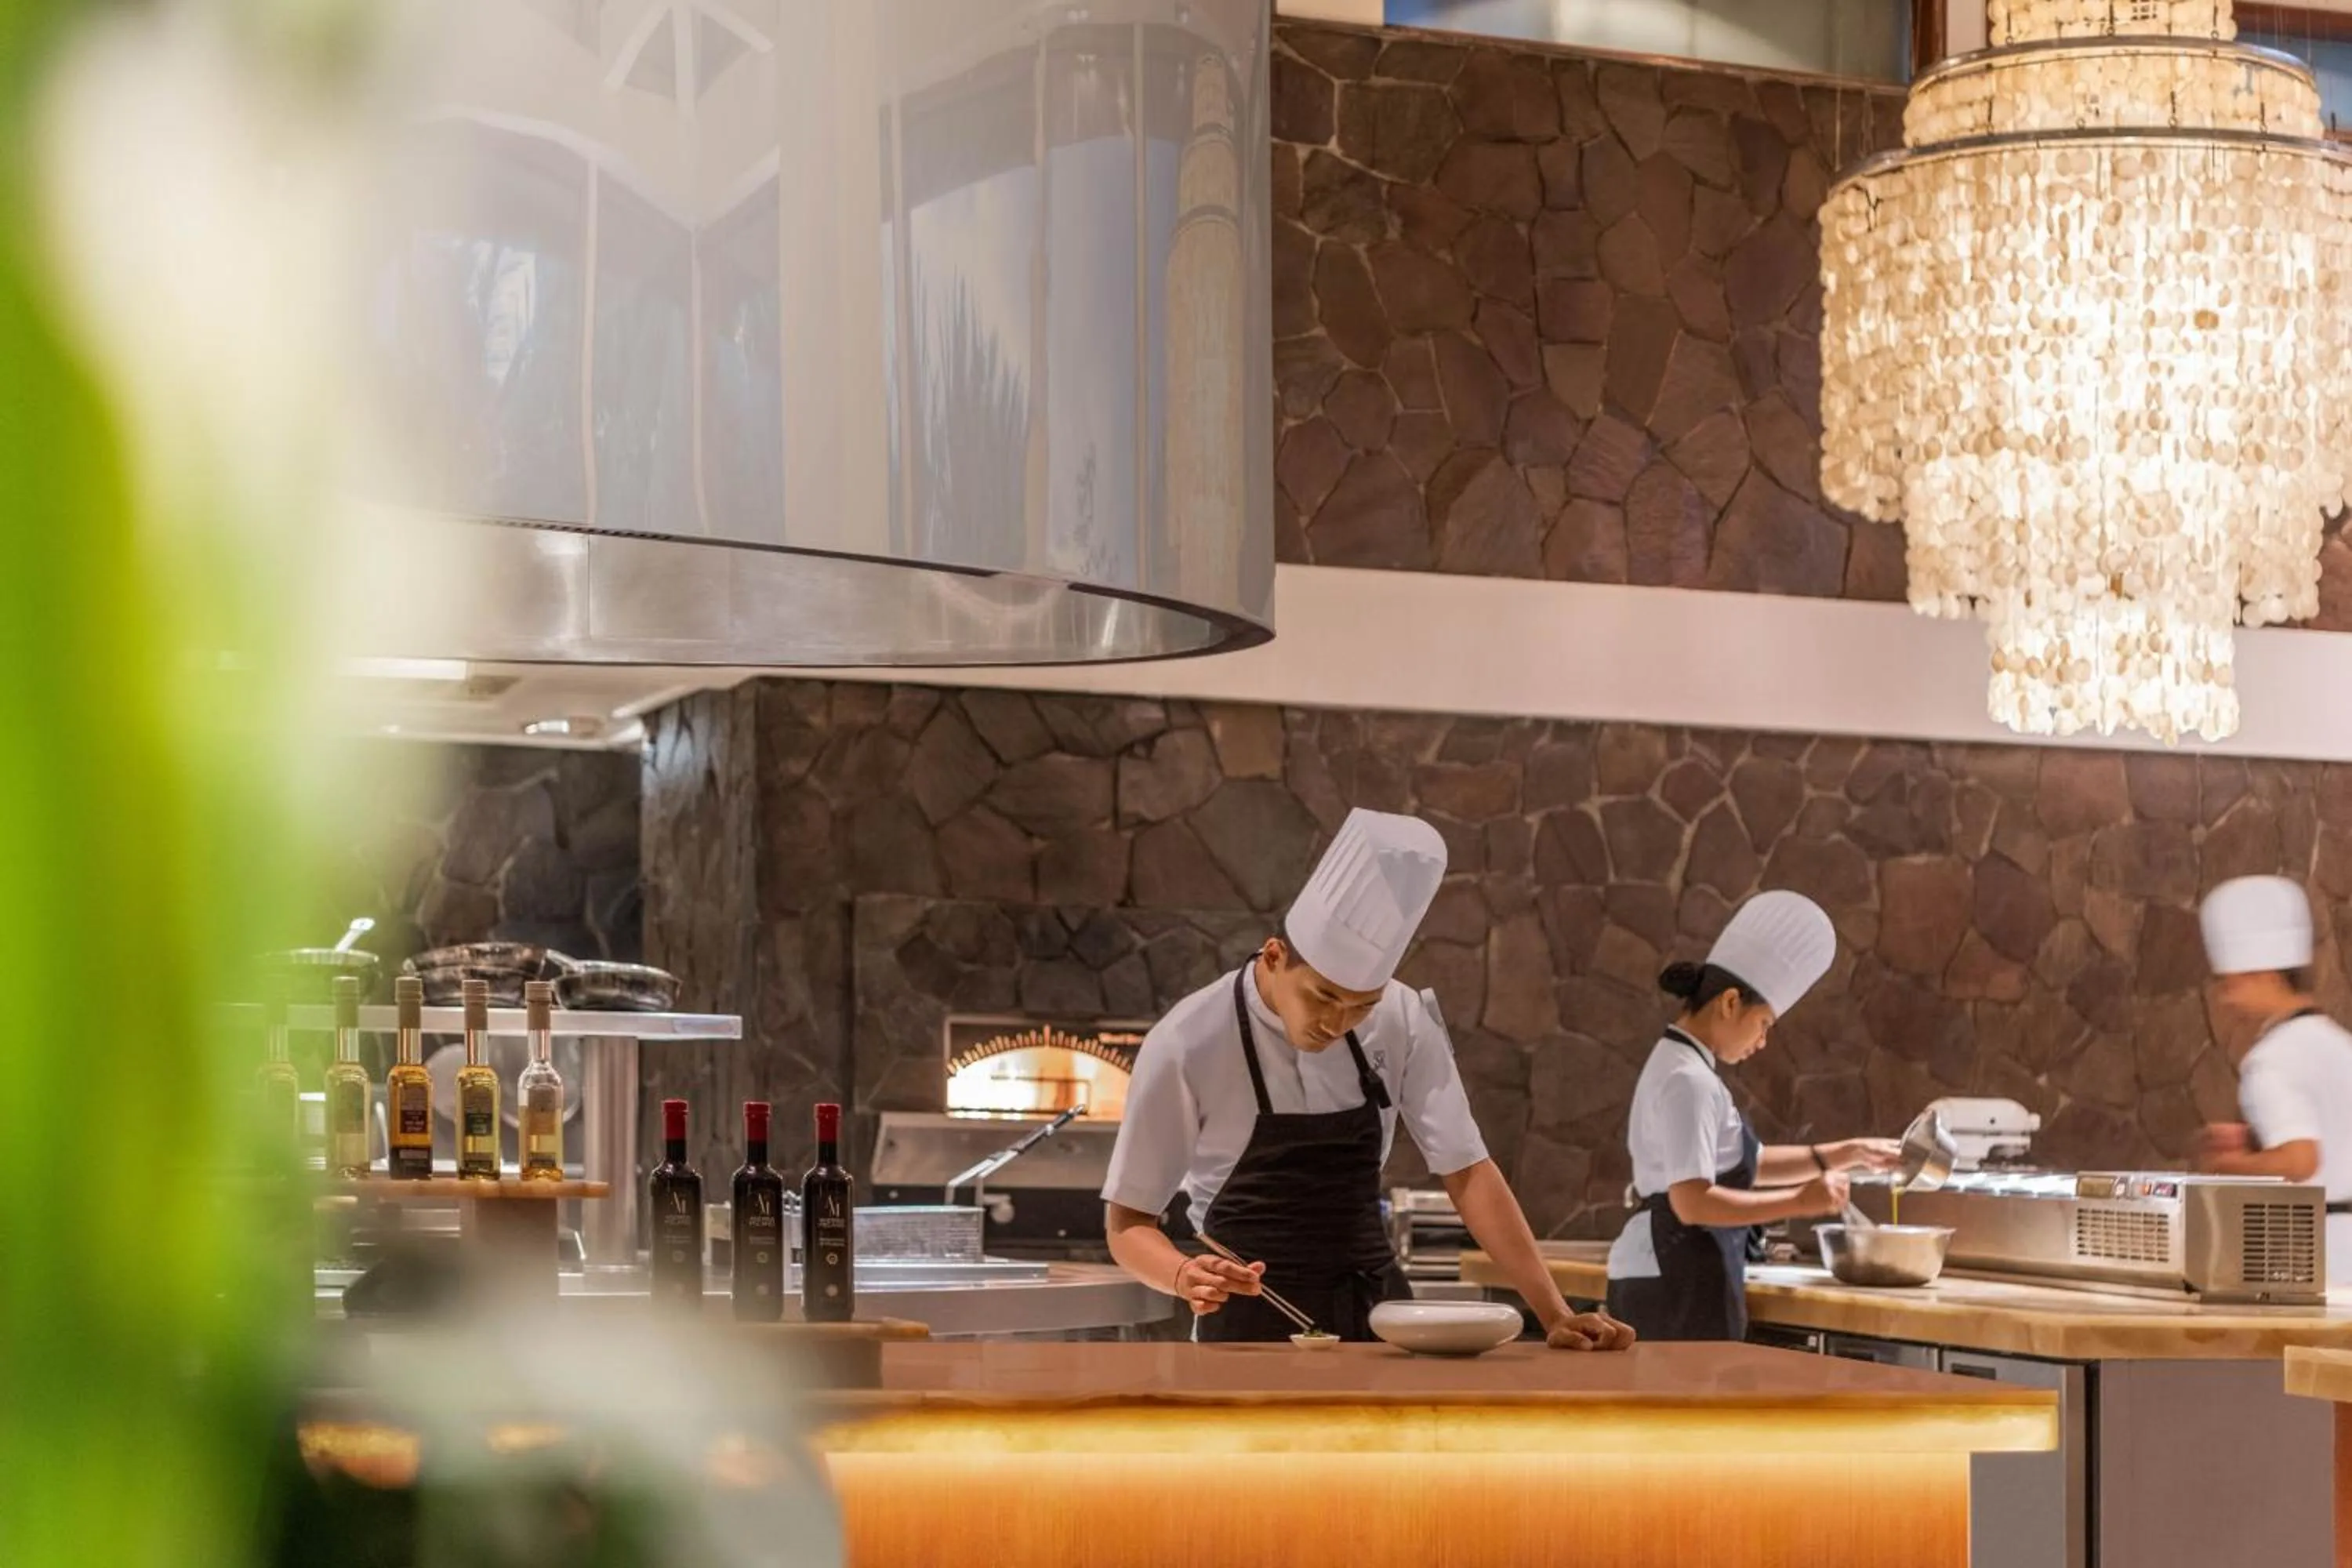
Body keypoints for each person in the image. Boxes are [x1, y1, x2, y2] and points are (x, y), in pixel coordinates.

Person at [1102, 808, 1635, 1350]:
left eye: (1361, 1007)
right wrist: (1182, 1274)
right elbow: (1128, 1224)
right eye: (1324, 997)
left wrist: (1555, 1313)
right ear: (1274, 956)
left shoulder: (1403, 1017)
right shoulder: (1187, 1041)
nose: (1336, 1022)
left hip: (1378, 1313)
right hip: (1245, 1324)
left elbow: (1468, 1171)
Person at [1604, 890, 1898, 1342]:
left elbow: (1748, 1164)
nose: (1763, 1042)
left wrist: (1848, 1152)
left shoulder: (1682, 1066)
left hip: (1671, 1271)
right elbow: (1693, 1202)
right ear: (1729, 1003)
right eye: (1763, 1024)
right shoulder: (1689, 1082)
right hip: (1681, 1279)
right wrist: (1800, 1202)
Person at [2194, 875, 2352, 1283]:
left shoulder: (2272, 1060)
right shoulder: (2340, 1044)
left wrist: (2231, 1165)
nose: (2227, 1000)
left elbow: (2301, 1160)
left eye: (2232, 985)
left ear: (2265, 975)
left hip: (2322, 1258)